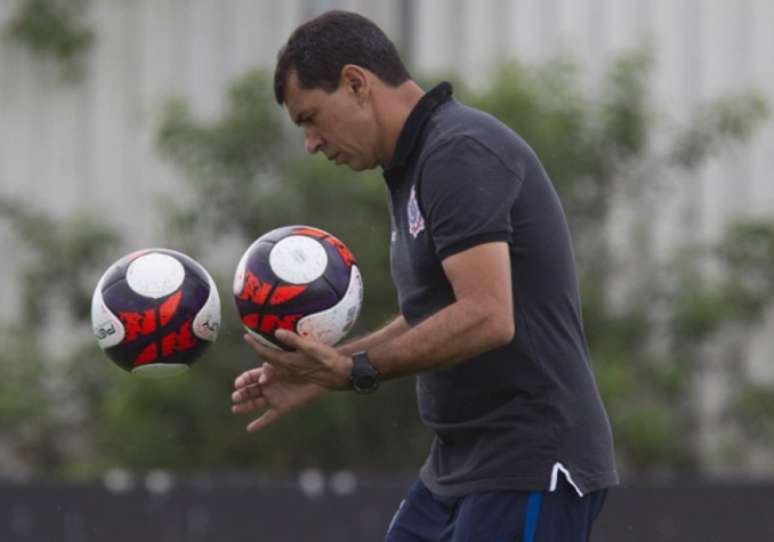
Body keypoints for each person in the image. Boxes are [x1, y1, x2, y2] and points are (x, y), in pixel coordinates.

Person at [231, 9, 618, 542]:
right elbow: (432, 314)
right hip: (458, 467)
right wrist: (324, 370)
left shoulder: (458, 151)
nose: (311, 143)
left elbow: (487, 316)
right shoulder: (412, 166)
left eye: (310, 118)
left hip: (529, 462)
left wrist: (355, 371)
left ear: (356, 83)